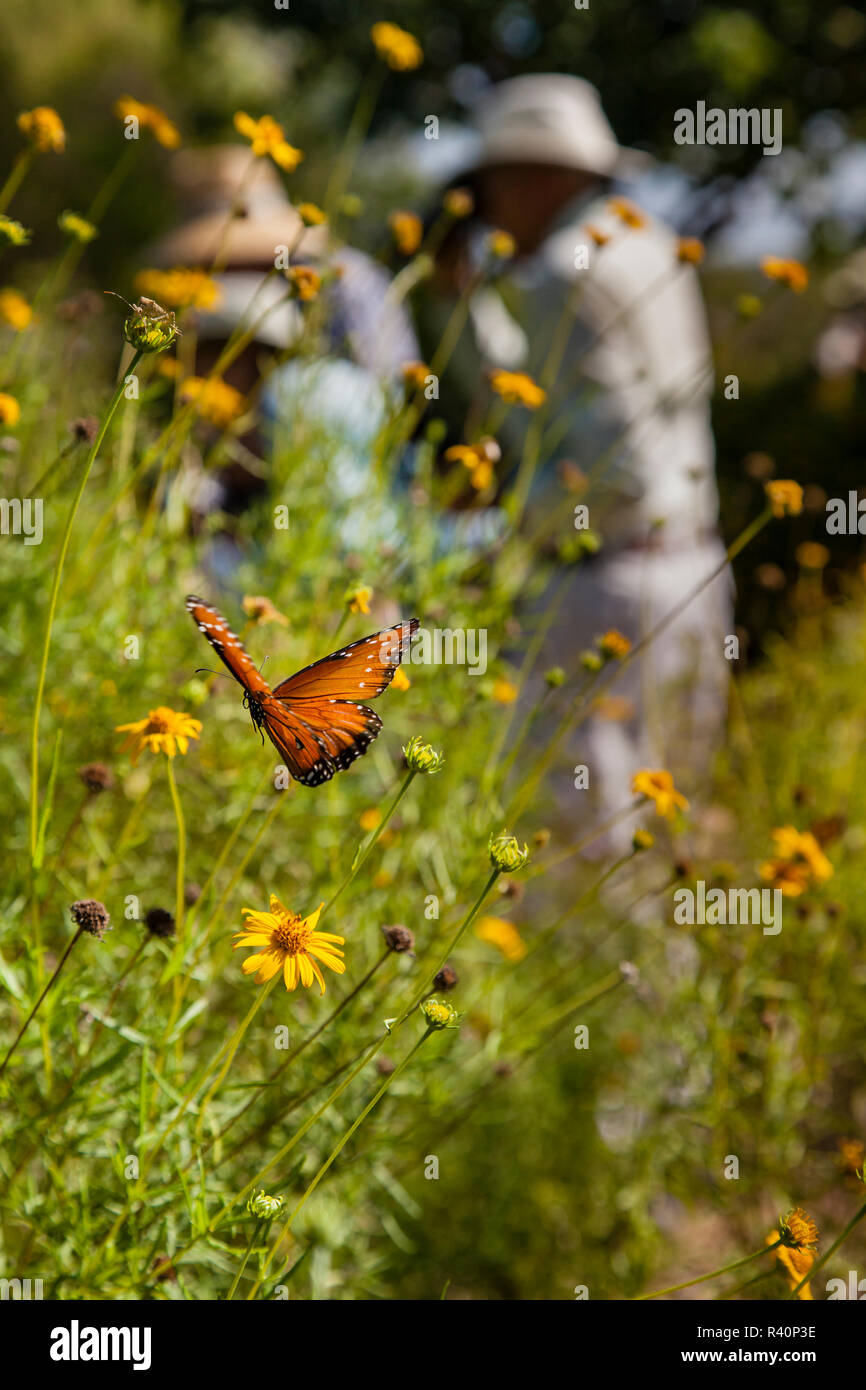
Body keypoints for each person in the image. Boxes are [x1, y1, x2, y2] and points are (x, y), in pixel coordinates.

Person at [432, 75, 733, 848]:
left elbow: (615, 473)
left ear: (536, 177)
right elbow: (546, 406)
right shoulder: (649, 245)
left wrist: (505, 528)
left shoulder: (569, 272)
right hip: (690, 567)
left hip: (608, 588)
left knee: (586, 834)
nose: (484, 208)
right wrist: (461, 305)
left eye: (491, 186)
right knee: (666, 816)